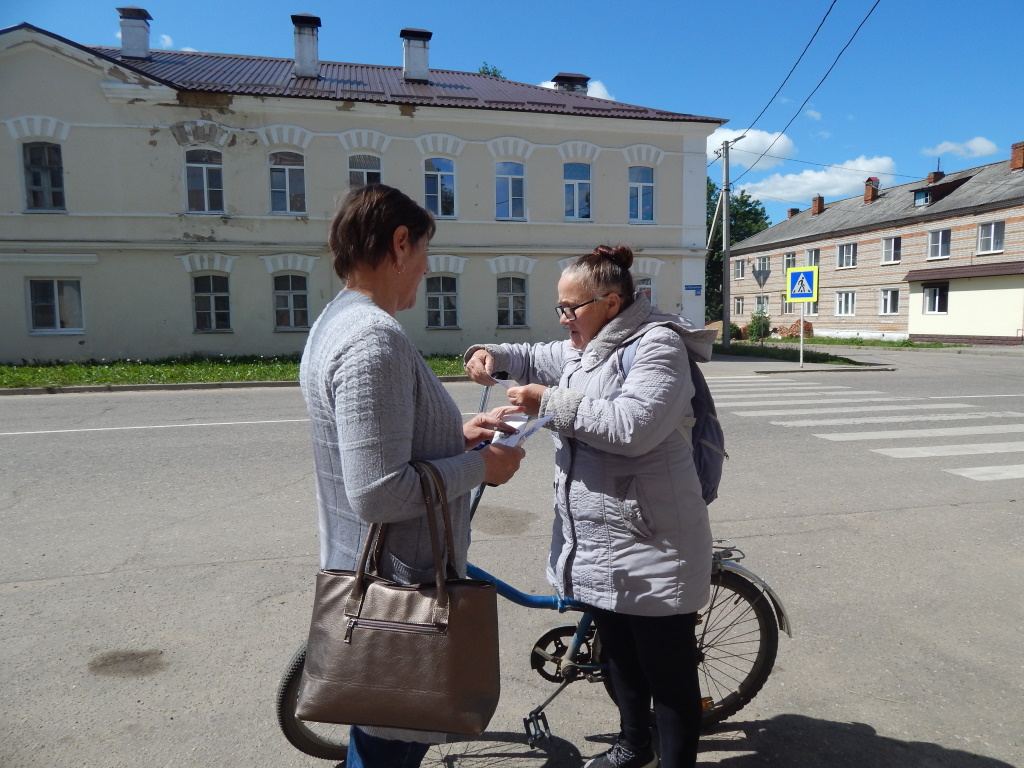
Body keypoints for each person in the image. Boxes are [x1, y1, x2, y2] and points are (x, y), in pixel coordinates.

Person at [464, 244, 717, 768]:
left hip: (653, 537)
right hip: (598, 537)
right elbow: (533, 356)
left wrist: (548, 403)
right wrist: (491, 354)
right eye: (559, 308)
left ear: (612, 301)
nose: (563, 320)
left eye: (570, 309)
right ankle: (633, 744)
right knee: (619, 653)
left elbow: (633, 426)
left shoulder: (657, 346)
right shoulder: (586, 346)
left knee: (667, 675)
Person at [300, 183, 526, 768]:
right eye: (424, 254)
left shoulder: (335, 320)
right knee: (389, 741)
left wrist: (460, 434)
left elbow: (385, 444)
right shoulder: (372, 338)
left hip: (370, 574)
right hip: (400, 588)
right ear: (399, 243)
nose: (425, 271)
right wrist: (483, 465)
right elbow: (378, 491)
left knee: (373, 721)